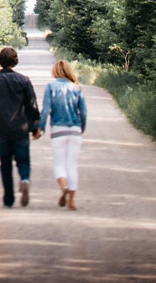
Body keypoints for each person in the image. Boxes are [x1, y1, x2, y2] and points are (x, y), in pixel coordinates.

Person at [0, 46, 40, 207]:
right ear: (15, 61)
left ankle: (8, 199)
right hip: (21, 129)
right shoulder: (24, 80)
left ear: (0, 61)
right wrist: (36, 127)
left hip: (1, 129)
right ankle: (25, 179)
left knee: (5, 165)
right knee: (23, 161)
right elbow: (32, 106)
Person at [43, 59, 88, 209]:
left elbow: (45, 110)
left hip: (58, 130)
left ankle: (63, 187)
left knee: (60, 163)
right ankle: (71, 201)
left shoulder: (51, 87)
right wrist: (82, 128)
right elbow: (84, 112)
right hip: (74, 130)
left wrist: (40, 128)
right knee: (72, 165)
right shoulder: (77, 88)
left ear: (55, 72)